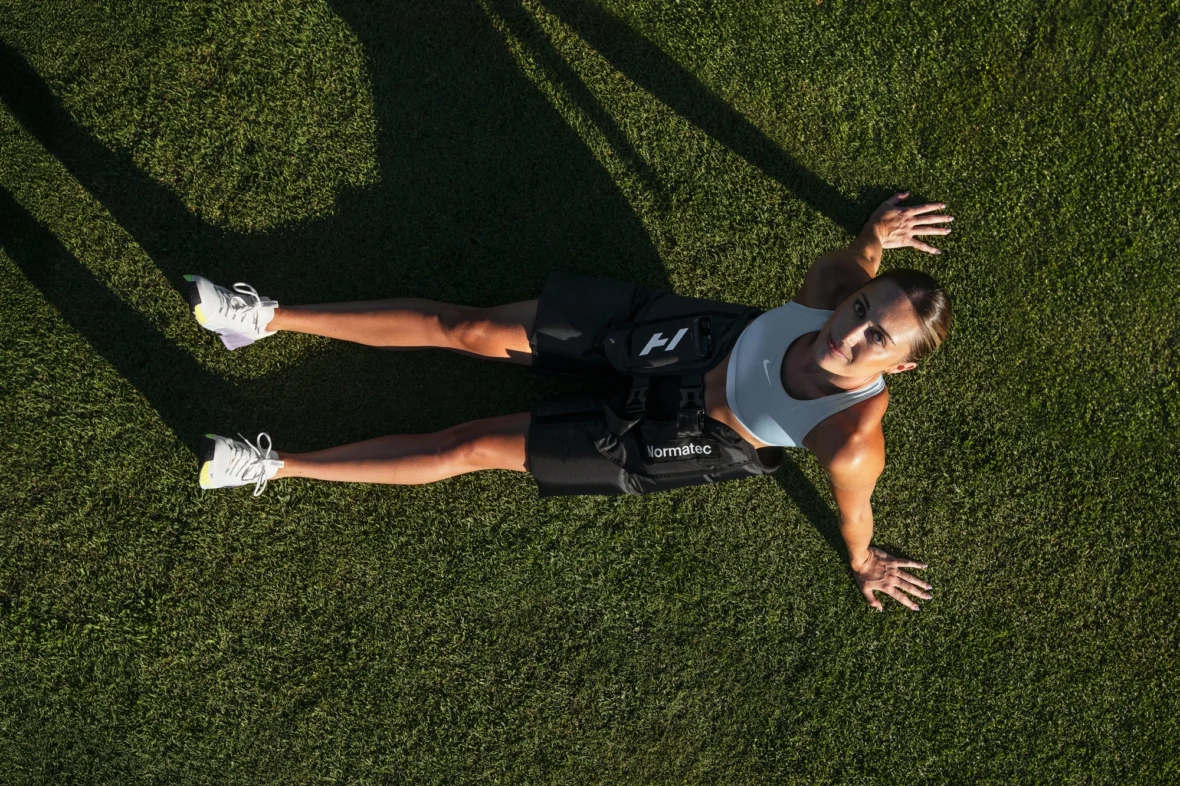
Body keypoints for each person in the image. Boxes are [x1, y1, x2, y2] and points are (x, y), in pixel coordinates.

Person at [186, 193, 952, 611]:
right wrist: (877, 233)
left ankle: (273, 465)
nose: (849, 334)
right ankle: (261, 319)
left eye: (878, 340)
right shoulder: (830, 286)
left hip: (686, 436)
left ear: (900, 369)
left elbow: (855, 510)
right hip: (688, 340)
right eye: (861, 311)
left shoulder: (851, 440)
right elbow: (862, 255)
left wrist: (862, 562)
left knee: (467, 448)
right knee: (470, 327)